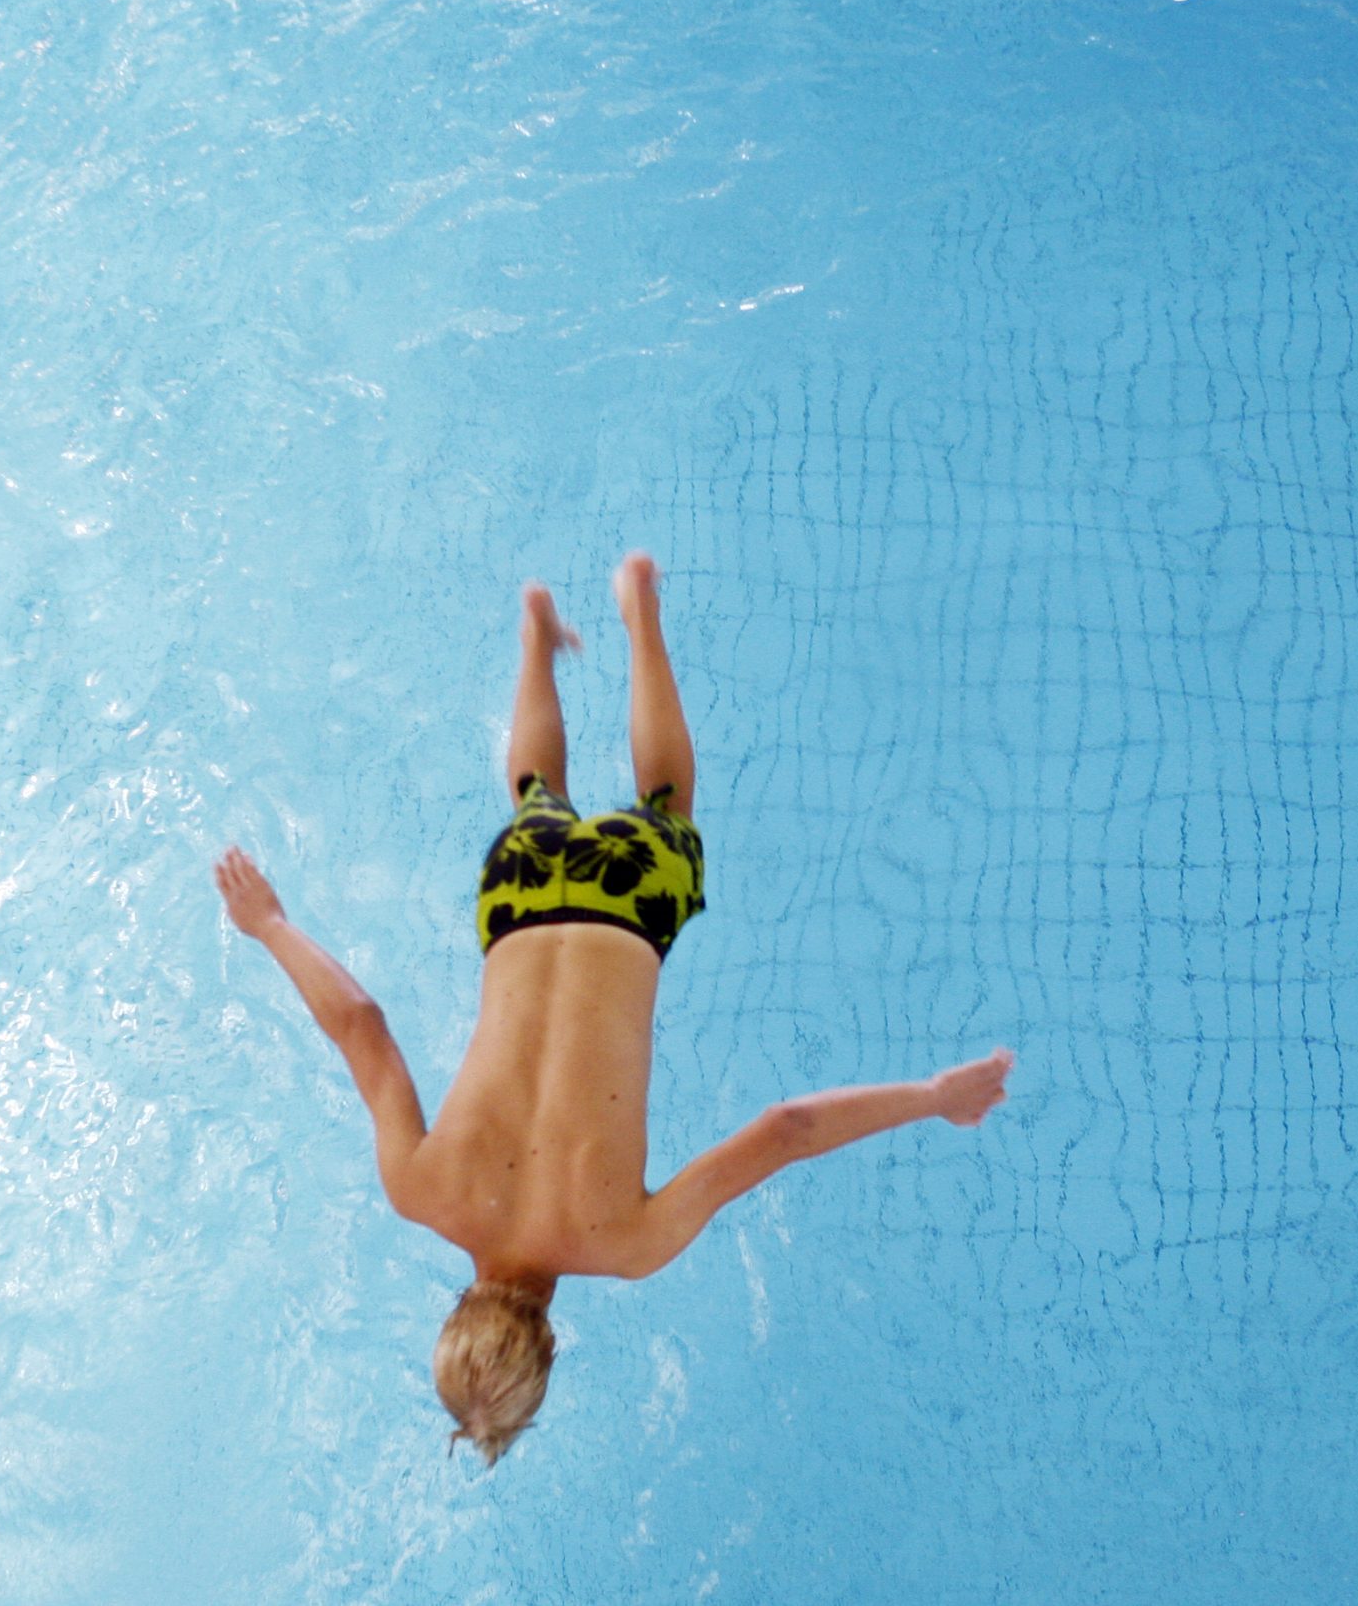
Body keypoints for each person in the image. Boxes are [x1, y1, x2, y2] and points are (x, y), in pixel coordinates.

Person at [213, 552, 1015, 1471]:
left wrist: (935, 1093)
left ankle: (641, 615)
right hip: (520, 889)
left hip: (630, 907)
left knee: (665, 799)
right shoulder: (418, 1185)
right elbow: (360, 1019)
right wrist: (268, 921)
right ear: (455, 1316)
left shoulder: (630, 1243)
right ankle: (538, 640)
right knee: (534, 795)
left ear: (547, 1349)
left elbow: (785, 1127)